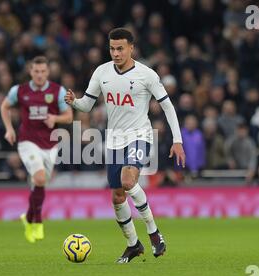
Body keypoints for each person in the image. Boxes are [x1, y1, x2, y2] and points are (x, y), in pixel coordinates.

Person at [64, 28, 185, 263]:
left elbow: (168, 106)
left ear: (131, 48)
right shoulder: (101, 72)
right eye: (112, 48)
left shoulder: (146, 74)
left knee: (128, 182)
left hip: (139, 135)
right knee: (118, 197)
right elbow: (87, 105)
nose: (116, 53)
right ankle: (133, 245)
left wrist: (177, 140)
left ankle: (153, 232)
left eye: (120, 48)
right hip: (114, 140)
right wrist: (74, 102)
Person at [0, 56, 73, 243]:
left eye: (43, 71)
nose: (39, 75)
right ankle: (38, 222)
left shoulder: (58, 91)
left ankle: (28, 217)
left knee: (39, 184)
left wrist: (54, 119)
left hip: (50, 145)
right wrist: (9, 129)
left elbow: (69, 116)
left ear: (48, 72)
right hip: (27, 142)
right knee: (39, 178)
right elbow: (4, 106)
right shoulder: (19, 91)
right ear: (30, 72)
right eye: (36, 71)